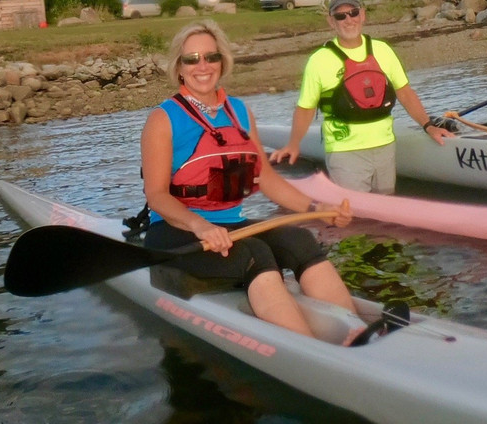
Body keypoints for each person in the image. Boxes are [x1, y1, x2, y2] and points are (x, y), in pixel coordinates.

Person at [140, 19, 358, 338]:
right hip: (176, 233)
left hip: (231, 228)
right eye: (192, 59)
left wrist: (317, 207)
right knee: (254, 253)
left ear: (222, 61)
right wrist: (200, 226)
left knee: (301, 240)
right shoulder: (163, 119)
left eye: (211, 57)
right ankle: (308, 349)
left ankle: (357, 334)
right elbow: (156, 195)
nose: (203, 66)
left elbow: (266, 178)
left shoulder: (239, 111)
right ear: (179, 68)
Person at [269, 0, 454, 193]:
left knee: (385, 210)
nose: (349, 20)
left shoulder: (382, 50)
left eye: (353, 13)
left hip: (385, 147)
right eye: (340, 16)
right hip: (345, 151)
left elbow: (405, 92)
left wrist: (428, 126)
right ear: (331, 22)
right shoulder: (319, 60)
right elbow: (305, 108)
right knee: (356, 214)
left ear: (362, 15)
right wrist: (294, 144)